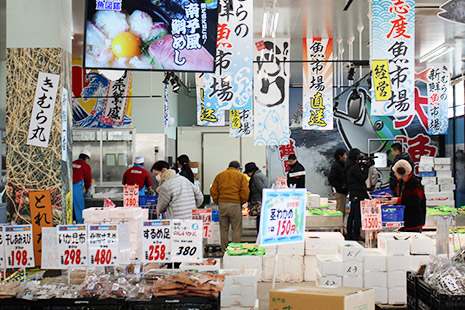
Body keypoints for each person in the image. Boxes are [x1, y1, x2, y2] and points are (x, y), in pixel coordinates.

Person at [210, 161, 250, 253]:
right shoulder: (241, 176)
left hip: (222, 204)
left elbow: (213, 191)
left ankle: (224, 250)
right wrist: (241, 202)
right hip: (235, 204)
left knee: (223, 229)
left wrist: (218, 202)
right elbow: (245, 192)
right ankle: (234, 250)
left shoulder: (220, 175)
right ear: (238, 168)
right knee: (236, 228)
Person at [387, 159, 426, 232]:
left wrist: (398, 200)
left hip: (414, 221)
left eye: (396, 172)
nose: (395, 174)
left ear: (401, 171)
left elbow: (416, 200)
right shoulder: (401, 182)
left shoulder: (415, 184)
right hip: (404, 220)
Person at [345, 148, 369, 241]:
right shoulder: (354, 168)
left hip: (354, 193)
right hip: (357, 193)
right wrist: (366, 168)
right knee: (357, 216)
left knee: (352, 215)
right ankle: (356, 234)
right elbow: (362, 177)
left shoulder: (350, 166)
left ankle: (350, 233)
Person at [244, 162, 270, 233]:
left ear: (251, 171)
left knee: (260, 220)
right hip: (263, 200)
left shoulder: (256, 177)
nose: (248, 175)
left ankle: (259, 236)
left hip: (259, 201)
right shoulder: (261, 175)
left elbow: (262, 189)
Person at [72, 150, 92, 224]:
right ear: (86, 157)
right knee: (79, 206)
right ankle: (80, 223)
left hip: (67, 186)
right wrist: (87, 189)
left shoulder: (72, 163)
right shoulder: (86, 166)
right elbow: (88, 179)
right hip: (76, 186)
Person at [328, 148, 348, 215]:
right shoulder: (336, 166)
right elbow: (331, 178)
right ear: (340, 156)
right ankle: (339, 224)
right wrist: (339, 187)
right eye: (345, 155)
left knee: (343, 210)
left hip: (344, 192)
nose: (346, 156)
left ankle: (341, 223)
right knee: (340, 211)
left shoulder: (342, 165)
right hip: (339, 192)